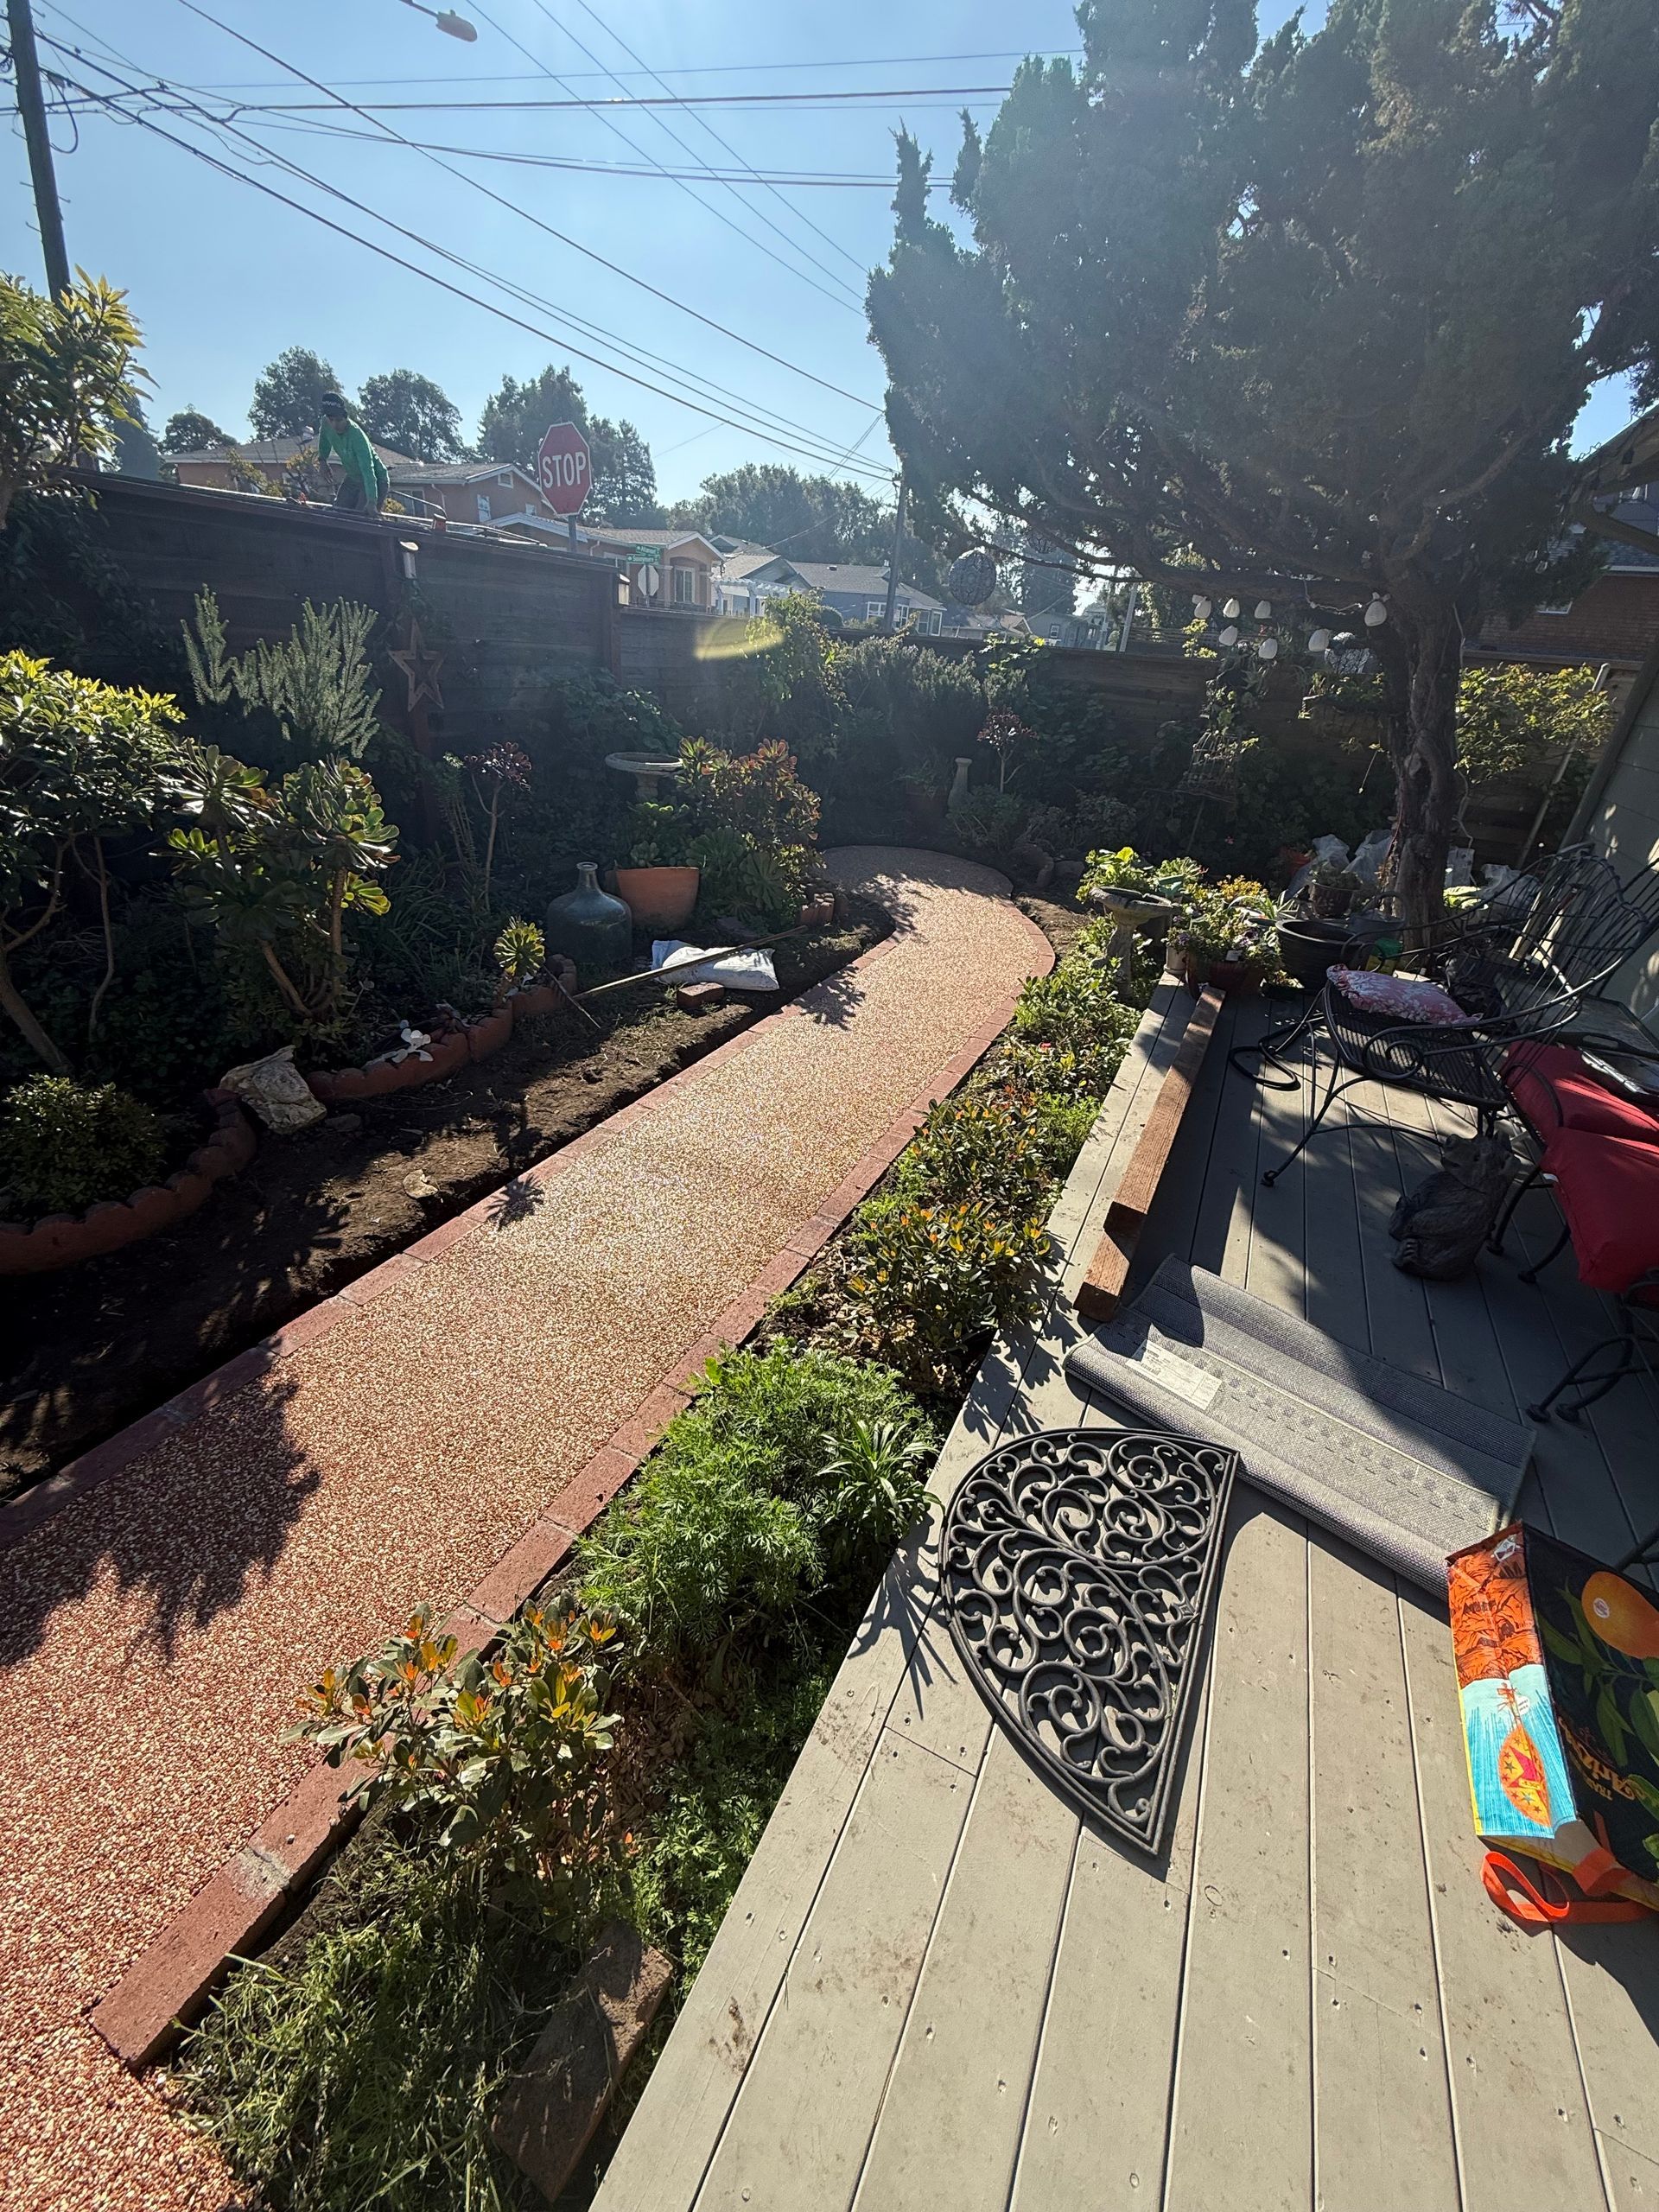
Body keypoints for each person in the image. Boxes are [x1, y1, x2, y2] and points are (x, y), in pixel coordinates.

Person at [316, 395, 389, 514]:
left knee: (361, 516)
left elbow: (368, 471)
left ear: (345, 417)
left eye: (339, 420)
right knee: (338, 512)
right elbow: (324, 439)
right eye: (331, 420)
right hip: (353, 477)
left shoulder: (357, 437)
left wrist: (371, 502)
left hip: (374, 479)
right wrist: (322, 461)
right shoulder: (326, 423)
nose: (335, 425)